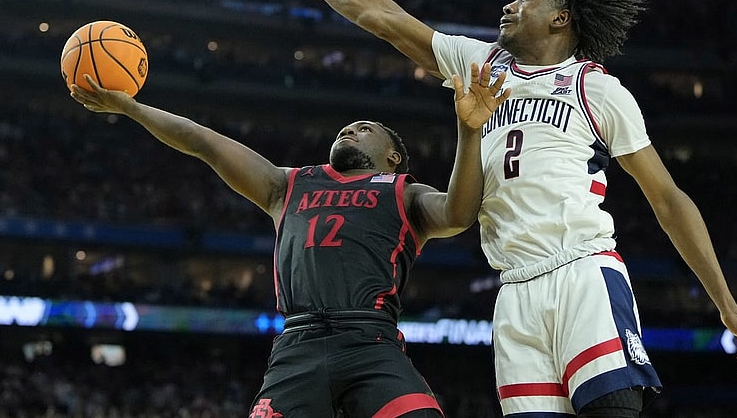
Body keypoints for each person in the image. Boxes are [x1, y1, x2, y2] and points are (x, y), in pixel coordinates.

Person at [278, 0, 737, 416]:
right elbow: (384, 19)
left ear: (561, 17)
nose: (509, 6)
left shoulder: (596, 89)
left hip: (582, 270)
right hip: (513, 290)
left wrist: (724, 301)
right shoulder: (480, 65)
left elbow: (667, 198)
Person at [69, 63, 510, 418]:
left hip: (369, 344)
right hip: (297, 347)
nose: (349, 130)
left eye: (365, 128)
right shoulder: (287, 185)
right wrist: (132, 109)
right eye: (347, 127)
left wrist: (469, 130)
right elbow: (203, 142)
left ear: (393, 158)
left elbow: (458, 213)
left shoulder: (404, 192)